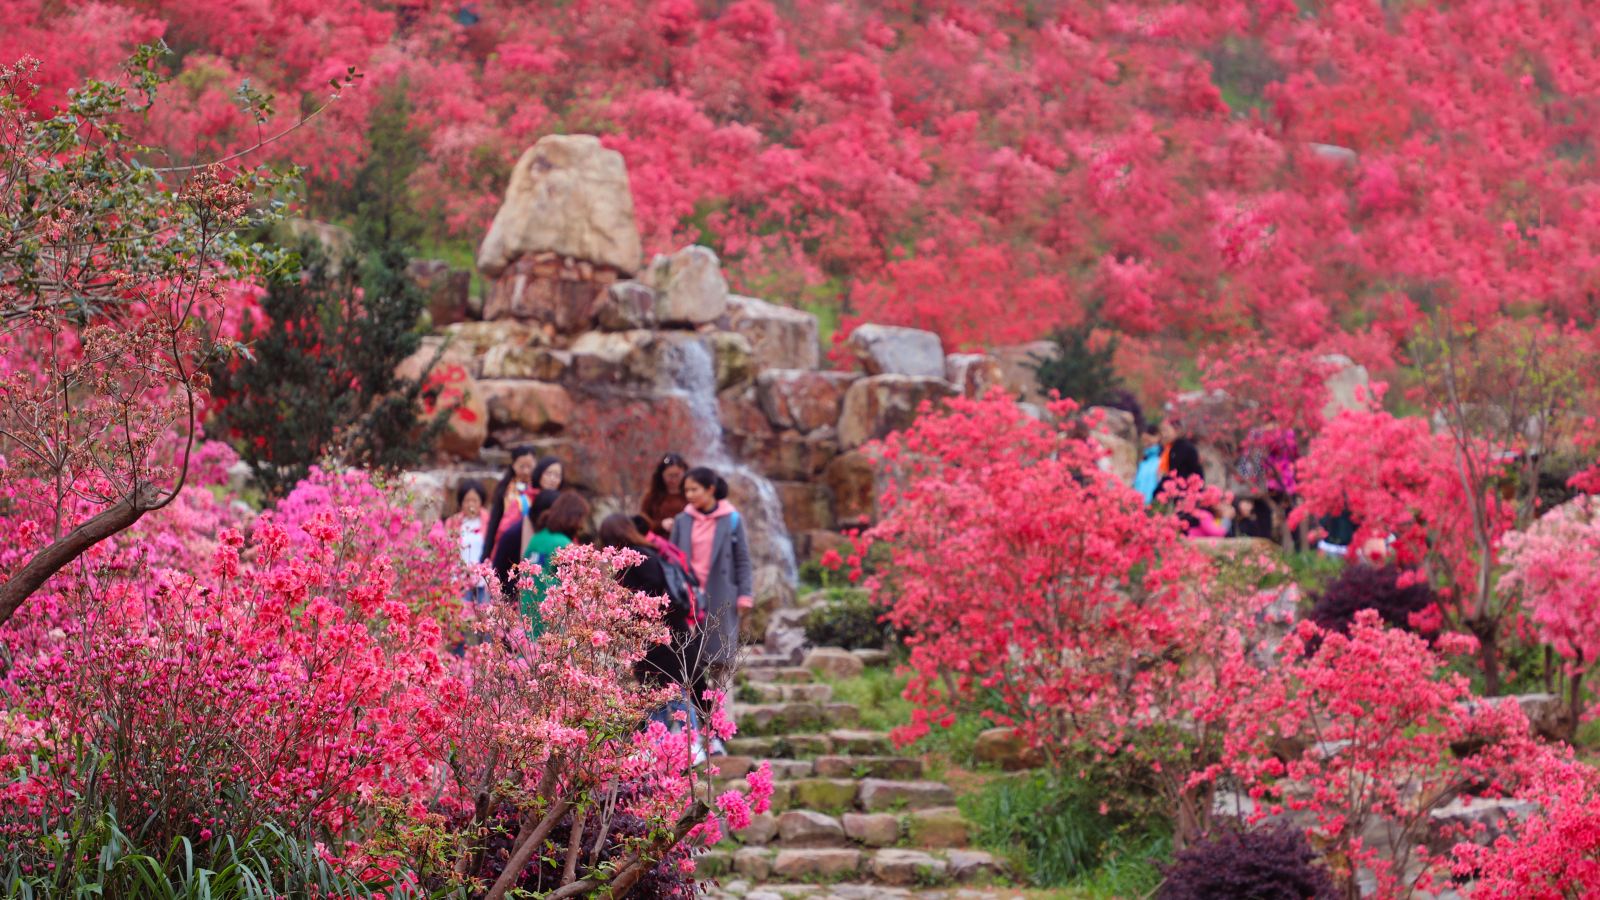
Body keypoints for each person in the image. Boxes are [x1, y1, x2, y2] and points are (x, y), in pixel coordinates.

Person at [599, 515, 708, 761]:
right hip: (660, 634)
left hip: (662, 635)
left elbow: (653, 587)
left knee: (671, 690)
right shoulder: (647, 552)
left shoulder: (637, 557)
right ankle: (656, 744)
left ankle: (688, 744)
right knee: (657, 691)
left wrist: (632, 606)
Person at [671, 467, 752, 756]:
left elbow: (742, 559)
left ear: (710, 489)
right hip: (688, 601)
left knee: (720, 666)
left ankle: (718, 733)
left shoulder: (730, 519)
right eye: (687, 490)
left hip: (721, 600)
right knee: (687, 668)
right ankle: (687, 736)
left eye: (694, 489)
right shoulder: (682, 520)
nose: (689, 495)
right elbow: (672, 558)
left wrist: (745, 594)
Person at [519, 491, 590, 634]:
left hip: (528, 608)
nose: (582, 524)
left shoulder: (537, 538)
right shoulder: (564, 544)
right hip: (551, 616)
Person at [482, 447, 538, 561]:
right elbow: (494, 521)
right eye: (522, 466)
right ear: (513, 465)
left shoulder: (538, 488)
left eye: (530, 466)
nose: (526, 471)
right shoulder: (504, 489)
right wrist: (486, 553)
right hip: (507, 538)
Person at [449, 481, 491, 604]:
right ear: (461, 503)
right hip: (460, 578)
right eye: (467, 501)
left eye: (475, 501)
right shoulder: (453, 523)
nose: (470, 505)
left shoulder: (488, 522)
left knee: (484, 615)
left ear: (481, 502)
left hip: (483, 579)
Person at [641, 452, 690, 536]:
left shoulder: (692, 495)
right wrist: (661, 525)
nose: (674, 480)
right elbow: (642, 523)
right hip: (659, 544)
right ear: (661, 475)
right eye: (670, 476)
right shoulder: (652, 497)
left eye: (677, 475)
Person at [1133, 424, 1162, 505]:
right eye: (1144, 440)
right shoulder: (1142, 461)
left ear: (1158, 437)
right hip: (1138, 505)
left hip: (1152, 506)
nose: (1146, 443)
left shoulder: (1162, 459)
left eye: (1149, 439)